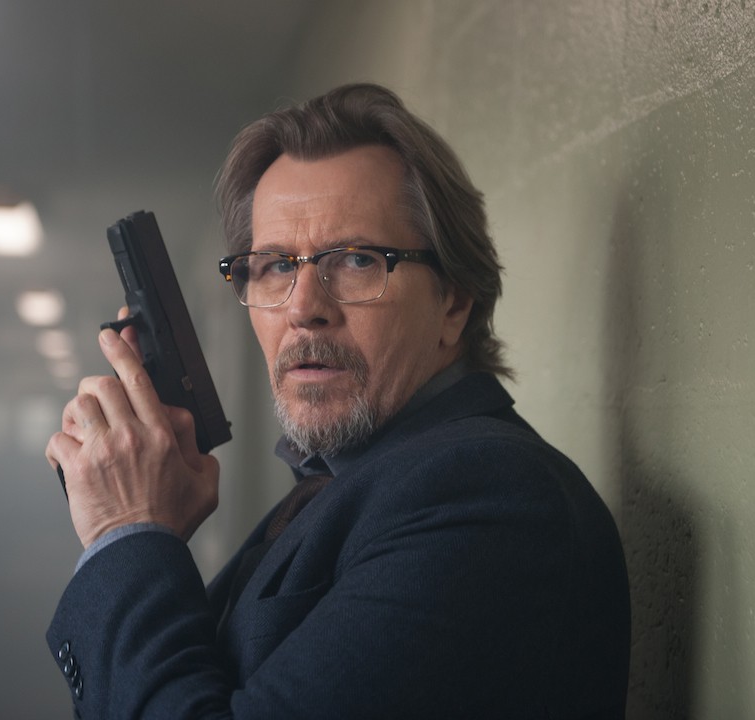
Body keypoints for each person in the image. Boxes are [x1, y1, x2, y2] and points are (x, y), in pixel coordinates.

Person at [44, 83, 630, 719]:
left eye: (356, 259)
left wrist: (128, 530)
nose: (303, 308)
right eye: (275, 266)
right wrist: (151, 528)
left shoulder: (493, 494)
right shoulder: (339, 483)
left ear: (453, 304)